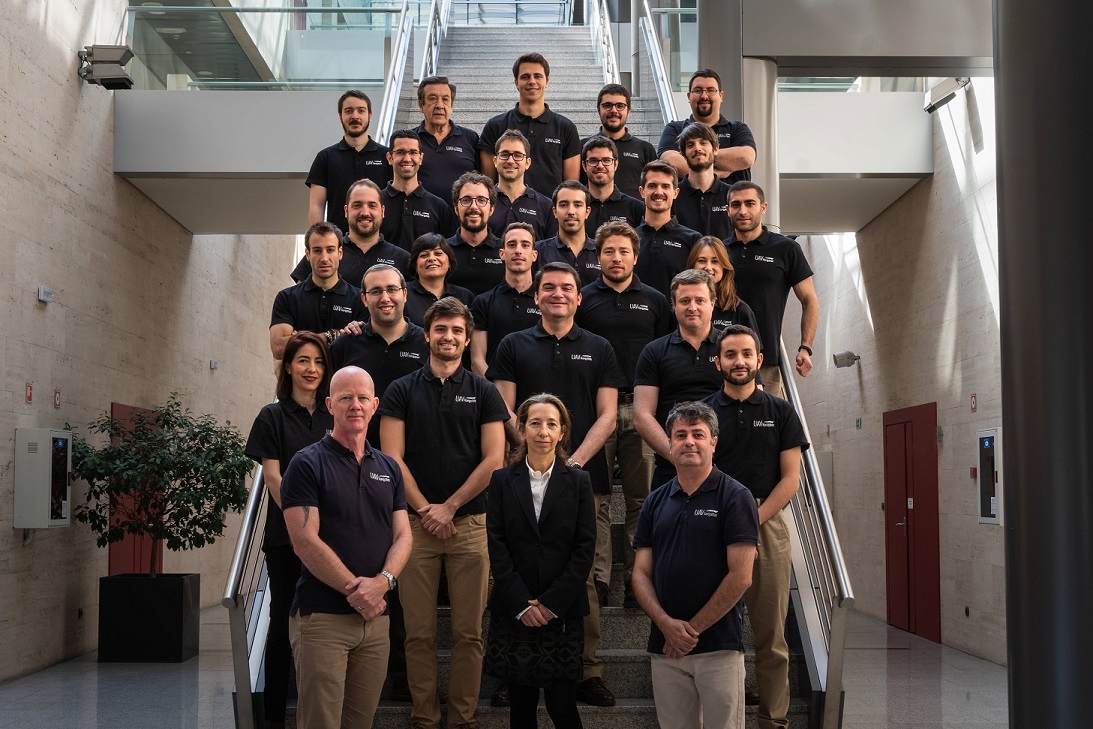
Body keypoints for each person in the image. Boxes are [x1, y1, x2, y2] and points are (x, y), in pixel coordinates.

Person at [487, 261, 626, 708]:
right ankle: (515, 670)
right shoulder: (513, 344)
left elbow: (608, 415)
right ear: (536, 296)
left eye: (567, 287)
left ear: (579, 297)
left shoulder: (599, 347)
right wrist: (535, 454)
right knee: (520, 568)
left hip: (584, 480)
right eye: (548, 287)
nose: (558, 293)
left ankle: (586, 670)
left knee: (581, 578)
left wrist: (572, 465)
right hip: (523, 478)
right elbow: (505, 410)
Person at [380, 297, 509, 729]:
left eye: (457, 330)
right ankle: (424, 716)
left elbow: (494, 459)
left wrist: (450, 507)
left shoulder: (484, 391)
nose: (448, 337)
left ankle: (463, 718)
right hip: (414, 529)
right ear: (427, 335)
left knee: (469, 633)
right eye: (441, 329)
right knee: (417, 633)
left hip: (470, 525)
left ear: (467, 338)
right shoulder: (400, 390)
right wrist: (425, 509)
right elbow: (392, 458)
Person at [280, 365, 412, 729]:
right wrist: (359, 592)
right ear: (329, 405)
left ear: (375, 405)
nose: (355, 405)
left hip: (376, 622)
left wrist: (383, 582)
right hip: (323, 620)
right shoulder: (306, 464)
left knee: (360, 723)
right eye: (345, 398)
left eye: (363, 398)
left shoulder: (389, 467)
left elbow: (404, 536)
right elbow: (305, 542)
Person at [702, 324, 809, 729]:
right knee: (712, 632)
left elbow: (791, 479)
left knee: (772, 638)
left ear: (760, 360)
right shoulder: (703, 413)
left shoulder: (781, 412)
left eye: (747, 354)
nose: (739, 361)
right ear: (718, 362)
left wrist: (751, 520)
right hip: (713, 523)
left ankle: (773, 722)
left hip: (767, 522)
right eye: (730, 354)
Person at [631, 400, 759, 729]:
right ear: (669, 444)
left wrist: (690, 631)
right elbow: (640, 573)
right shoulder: (655, 501)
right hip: (665, 647)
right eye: (680, 435)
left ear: (713, 442)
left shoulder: (735, 496)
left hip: (718, 647)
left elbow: (741, 576)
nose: (689, 441)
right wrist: (666, 626)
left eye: (698, 434)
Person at [484, 394, 596, 729]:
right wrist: (522, 604)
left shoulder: (579, 481)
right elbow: (497, 546)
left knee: (563, 706)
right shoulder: (502, 480)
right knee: (521, 708)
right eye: (535, 423)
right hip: (516, 611)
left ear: (562, 432)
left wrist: (551, 603)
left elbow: (584, 548)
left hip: (561, 612)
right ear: (521, 429)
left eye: (551, 424)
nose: (543, 432)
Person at [575, 221, 672, 609]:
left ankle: (637, 579)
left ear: (636, 256)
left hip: (641, 409)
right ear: (598, 257)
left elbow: (665, 355)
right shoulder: (583, 299)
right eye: (609, 252)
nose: (616, 258)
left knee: (640, 499)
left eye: (624, 252)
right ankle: (598, 581)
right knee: (596, 497)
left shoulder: (655, 301)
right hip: (597, 410)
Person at [245, 332, 334, 729]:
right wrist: (304, 528)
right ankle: (275, 718)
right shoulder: (272, 416)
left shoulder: (334, 415)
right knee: (282, 627)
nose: (311, 369)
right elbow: (273, 478)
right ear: (288, 367)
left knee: (327, 625)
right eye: (303, 360)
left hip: (333, 541)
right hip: (286, 541)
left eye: (318, 361)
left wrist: (324, 531)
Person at [724, 181, 819, 398]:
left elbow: (810, 300)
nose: (743, 211)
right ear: (728, 209)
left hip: (764, 360)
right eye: (736, 205)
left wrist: (805, 347)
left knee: (764, 418)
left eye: (750, 204)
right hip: (720, 357)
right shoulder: (718, 250)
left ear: (763, 207)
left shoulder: (786, 248)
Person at [633, 269, 724, 489]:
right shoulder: (654, 351)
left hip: (726, 465)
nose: (692, 307)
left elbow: (753, 400)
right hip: (671, 467)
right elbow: (642, 415)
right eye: (685, 301)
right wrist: (677, 455)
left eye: (700, 300)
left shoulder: (732, 348)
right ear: (674, 305)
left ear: (712, 304)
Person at [479, 53, 581, 196]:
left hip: (550, 209)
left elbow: (571, 187)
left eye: (538, 76)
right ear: (516, 83)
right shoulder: (495, 126)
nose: (532, 81)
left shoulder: (566, 128)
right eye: (525, 77)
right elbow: (487, 186)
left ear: (547, 81)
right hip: (505, 208)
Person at [270, 221, 367, 361]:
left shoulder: (360, 299)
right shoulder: (287, 297)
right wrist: (330, 336)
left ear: (340, 253)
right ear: (308, 254)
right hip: (302, 376)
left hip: (340, 375)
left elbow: (361, 349)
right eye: (317, 250)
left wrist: (298, 338)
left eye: (330, 250)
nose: (324, 258)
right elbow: (279, 349)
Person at [291, 179, 410, 287]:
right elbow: (302, 297)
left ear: (382, 211)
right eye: (357, 205)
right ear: (346, 211)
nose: (365, 212)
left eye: (372, 206)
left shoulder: (402, 259)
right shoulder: (323, 253)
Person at [307, 90, 391, 236]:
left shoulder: (387, 156)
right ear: (340, 116)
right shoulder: (325, 157)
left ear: (370, 116)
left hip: (381, 242)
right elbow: (317, 206)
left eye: (361, 111)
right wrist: (318, 241)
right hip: (339, 242)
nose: (355, 116)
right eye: (349, 111)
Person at [658, 69, 755, 183]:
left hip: (731, 195)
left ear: (721, 95)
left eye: (711, 90)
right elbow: (670, 161)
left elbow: (746, 158)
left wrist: (695, 157)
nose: (704, 96)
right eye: (698, 90)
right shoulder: (675, 129)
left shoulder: (737, 128)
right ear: (689, 96)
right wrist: (714, 174)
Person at [470, 222, 540, 376]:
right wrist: (496, 389)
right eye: (512, 245)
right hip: (493, 388)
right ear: (501, 253)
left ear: (534, 255)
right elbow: (477, 361)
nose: (518, 251)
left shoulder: (546, 301)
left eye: (525, 245)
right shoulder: (483, 302)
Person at [380, 129, 455, 251]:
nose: (407, 159)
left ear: (421, 158)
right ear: (390, 158)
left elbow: (447, 252)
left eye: (413, 152)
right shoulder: (375, 203)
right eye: (400, 152)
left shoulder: (439, 207)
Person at [635, 161, 702, 297]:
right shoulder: (629, 238)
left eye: (665, 186)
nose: (659, 192)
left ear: (675, 193)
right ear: (642, 191)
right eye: (652, 186)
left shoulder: (693, 240)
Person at [414, 76, 480, 206]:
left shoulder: (470, 138)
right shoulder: (410, 140)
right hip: (420, 215)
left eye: (445, 99)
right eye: (432, 99)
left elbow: (484, 181)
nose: (439, 105)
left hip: (461, 215)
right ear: (421, 105)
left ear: (451, 106)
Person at [582, 83, 657, 198]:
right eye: (607, 105)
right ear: (598, 110)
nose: (614, 110)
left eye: (620, 106)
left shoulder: (645, 149)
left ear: (628, 111)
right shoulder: (582, 146)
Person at [487, 129, 558, 241]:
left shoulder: (546, 206)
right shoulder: (482, 202)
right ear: (495, 161)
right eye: (504, 154)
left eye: (517, 155)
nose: (510, 161)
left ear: (527, 163)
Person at [448, 172, 507, 296]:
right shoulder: (442, 252)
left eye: (481, 200)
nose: (474, 207)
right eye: (466, 200)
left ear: (491, 209)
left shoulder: (506, 251)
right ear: (456, 208)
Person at [688, 236, 760, 334]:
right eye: (702, 261)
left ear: (724, 267)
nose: (708, 267)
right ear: (692, 265)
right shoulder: (682, 308)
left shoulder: (740, 311)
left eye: (715, 261)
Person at [672, 123, 733, 239]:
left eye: (703, 143)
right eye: (690, 145)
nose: (697, 148)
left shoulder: (732, 195)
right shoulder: (672, 196)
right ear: (684, 155)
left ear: (716, 149)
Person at [535, 180, 600, 286]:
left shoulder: (602, 252)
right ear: (555, 212)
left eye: (577, 205)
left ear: (587, 212)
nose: (571, 212)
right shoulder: (538, 251)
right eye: (564, 205)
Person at [405, 233, 476, 326]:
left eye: (438, 253)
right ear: (415, 264)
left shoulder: (465, 296)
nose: (431, 258)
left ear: (449, 262)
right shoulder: (403, 294)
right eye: (424, 255)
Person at [581, 136, 645, 239]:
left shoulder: (636, 208)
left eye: (606, 160)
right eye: (593, 161)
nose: (600, 166)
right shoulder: (575, 206)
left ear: (615, 165)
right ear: (584, 165)